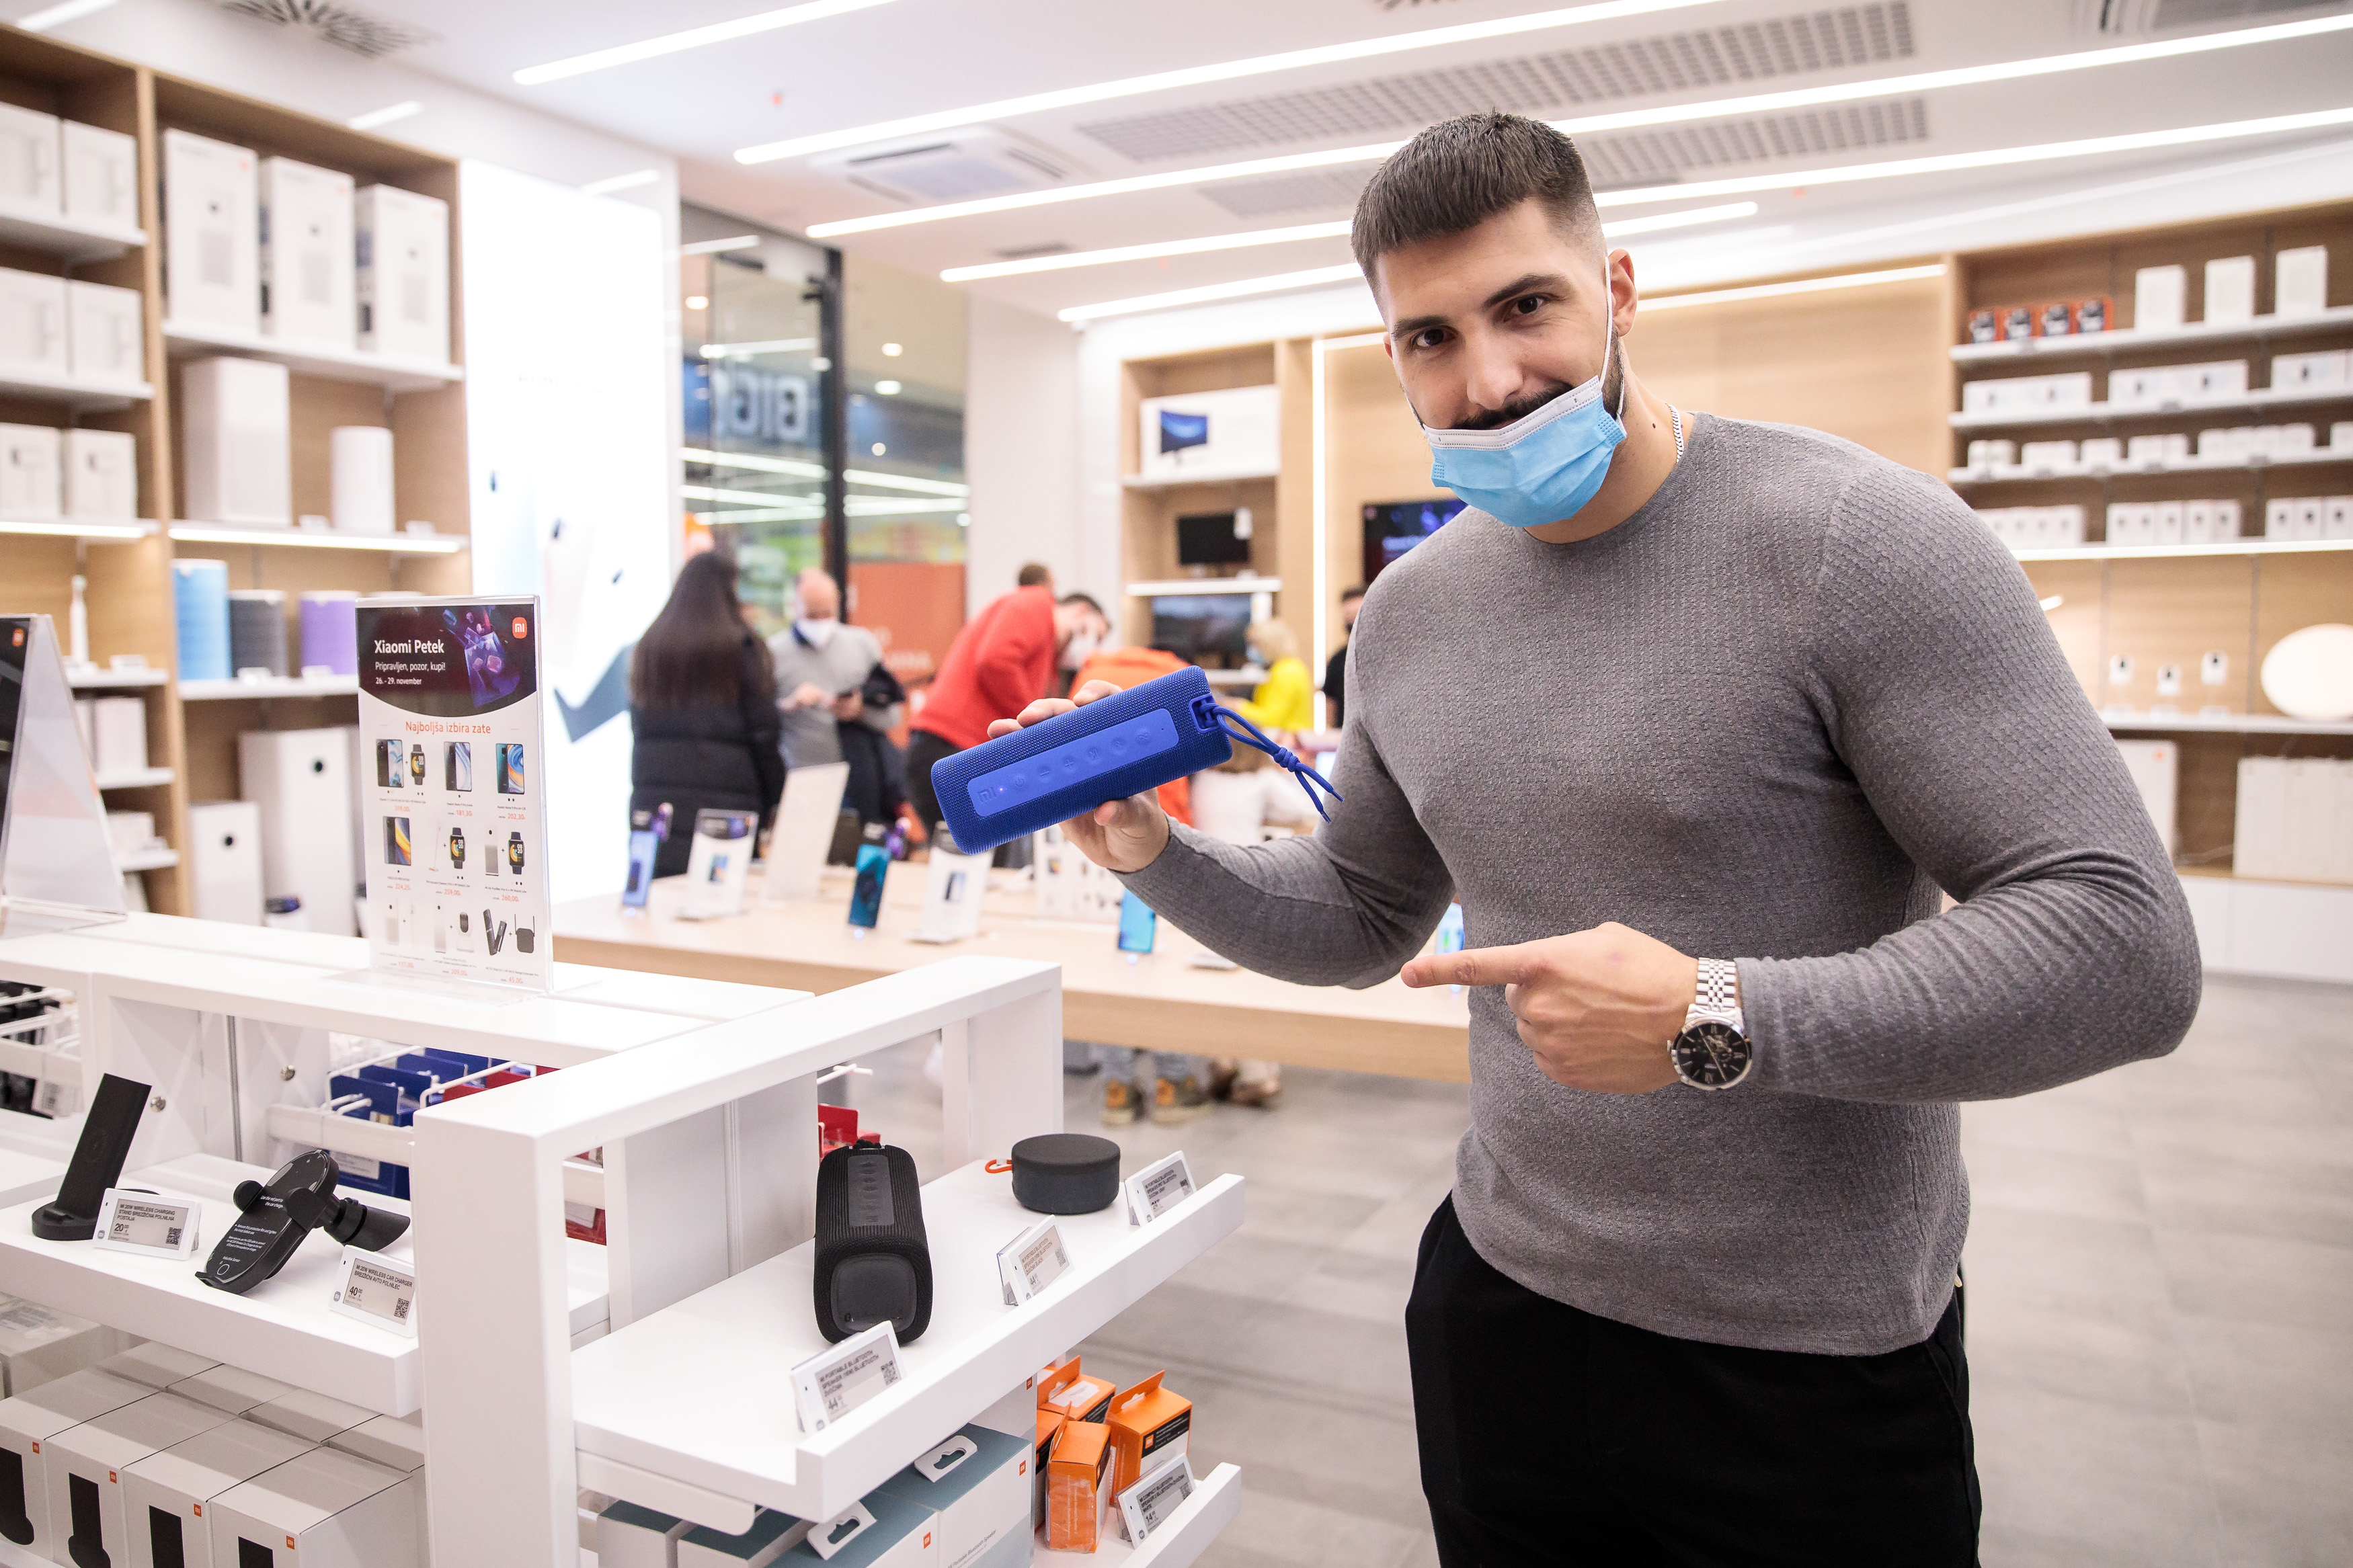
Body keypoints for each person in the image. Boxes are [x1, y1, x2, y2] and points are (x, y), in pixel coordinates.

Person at [986, 112, 2198, 1567]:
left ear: (1617, 289)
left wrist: (1712, 1015)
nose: (1490, 379)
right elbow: (1360, 912)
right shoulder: (1411, 614)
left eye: (1527, 307)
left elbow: (2123, 944)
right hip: (1502, 1307)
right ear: (1392, 352)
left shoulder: (1857, 541)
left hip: (1808, 1362)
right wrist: (1147, 850)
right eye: (1431, 336)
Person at [903, 585, 1109, 837]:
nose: (1088, 646)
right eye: (1093, 635)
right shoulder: (1038, 604)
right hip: (951, 748)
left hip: (954, 749)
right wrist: (1036, 720)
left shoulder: (1046, 653)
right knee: (970, 851)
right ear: (1081, 612)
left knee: (974, 851)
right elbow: (995, 659)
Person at [629, 551, 785, 878]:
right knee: (720, 901)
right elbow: (763, 734)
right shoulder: (742, 647)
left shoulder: (650, 647)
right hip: (727, 811)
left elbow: (640, 726)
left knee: (663, 900)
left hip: (657, 810)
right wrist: (776, 796)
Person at [1189, 745, 1318, 1109]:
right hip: (1248, 881)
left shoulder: (1202, 778)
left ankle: (1223, 1060)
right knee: (1252, 981)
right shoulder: (1261, 781)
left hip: (1204, 885)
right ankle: (1259, 1075)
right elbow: (1307, 809)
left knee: (1216, 981)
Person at [768, 567, 905, 826]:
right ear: (793, 606)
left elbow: (892, 716)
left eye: (827, 613)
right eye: (812, 615)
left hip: (858, 779)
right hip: (801, 782)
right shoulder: (774, 654)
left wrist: (859, 710)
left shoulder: (862, 645)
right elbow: (761, 722)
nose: (820, 622)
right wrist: (790, 705)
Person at [1225, 618, 1313, 733]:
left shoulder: (1286, 672)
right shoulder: (1286, 667)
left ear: (1270, 644)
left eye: (1255, 644)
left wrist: (1237, 706)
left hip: (1288, 739)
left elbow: (1272, 720)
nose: (1251, 649)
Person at [1322, 583, 1367, 730]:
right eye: (1348, 617)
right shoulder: (1337, 661)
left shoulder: (1388, 658)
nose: (1352, 623)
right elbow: (1331, 708)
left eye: (1357, 616)